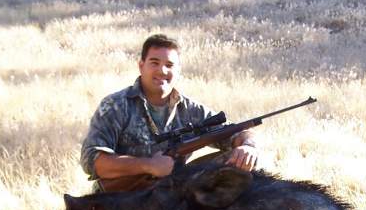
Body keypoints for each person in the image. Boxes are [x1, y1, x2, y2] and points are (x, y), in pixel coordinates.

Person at [80, 33, 258, 189]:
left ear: (178, 71)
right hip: (122, 197)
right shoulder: (115, 105)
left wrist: (247, 147)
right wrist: (148, 166)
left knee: (235, 160)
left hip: (171, 194)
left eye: (170, 65)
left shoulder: (191, 109)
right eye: (154, 63)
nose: (162, 70)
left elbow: (234, 132)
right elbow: (92, 161)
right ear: (141, 66)